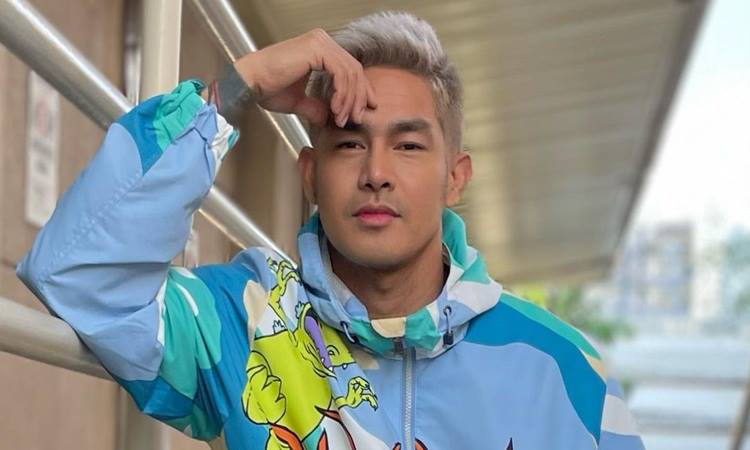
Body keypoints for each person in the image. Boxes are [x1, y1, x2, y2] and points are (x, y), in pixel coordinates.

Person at [16, 10, 645, 450]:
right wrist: (237, 88)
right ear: (310, 175)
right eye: (349, 144)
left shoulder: (565, 371)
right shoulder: (247, 321)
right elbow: (78, 273)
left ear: (455, 178)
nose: (376, 173)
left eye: (408, 145)